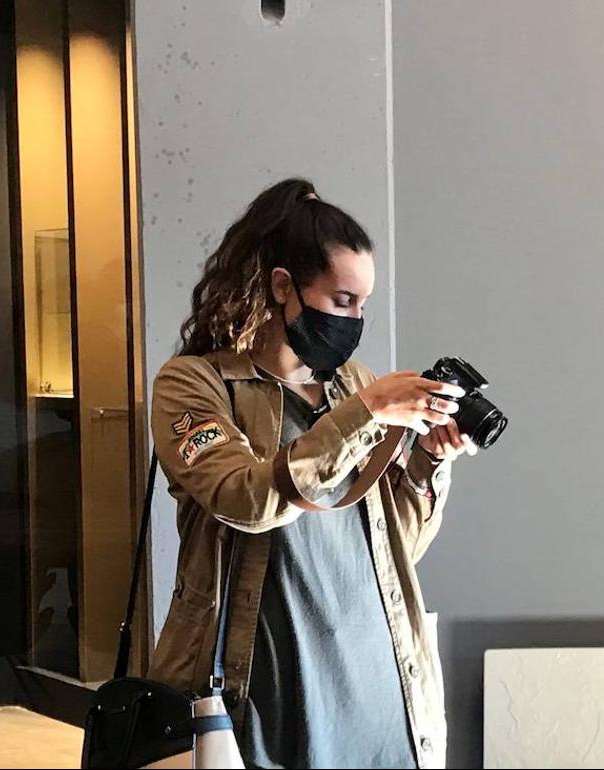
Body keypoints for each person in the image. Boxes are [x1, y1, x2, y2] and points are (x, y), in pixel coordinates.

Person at [148, 178, 475, 769]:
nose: (355, 321)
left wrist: (427, 463)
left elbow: (395, 547)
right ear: (283, 287)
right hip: (270, 682)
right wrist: (367, 413)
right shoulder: (194, 384)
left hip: (376, 674)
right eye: (342, 301)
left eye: (363, 305)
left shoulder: (352, 383)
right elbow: (240, 499)